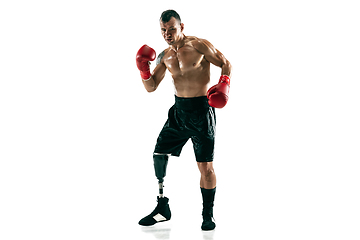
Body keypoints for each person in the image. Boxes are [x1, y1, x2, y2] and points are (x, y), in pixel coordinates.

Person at [136, 9, 232, 231]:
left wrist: (224, 82)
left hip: (201, 111)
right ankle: (162, 208)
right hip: (178, 113)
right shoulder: (165, 55)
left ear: (181, 27)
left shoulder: (199, 45)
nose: (167, 34)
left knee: (206, 167)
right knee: (159, 153)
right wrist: (142, 69)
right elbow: (151, 87)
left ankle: (207, 215)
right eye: (163, 30)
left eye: (171, 29)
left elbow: (225, 62)